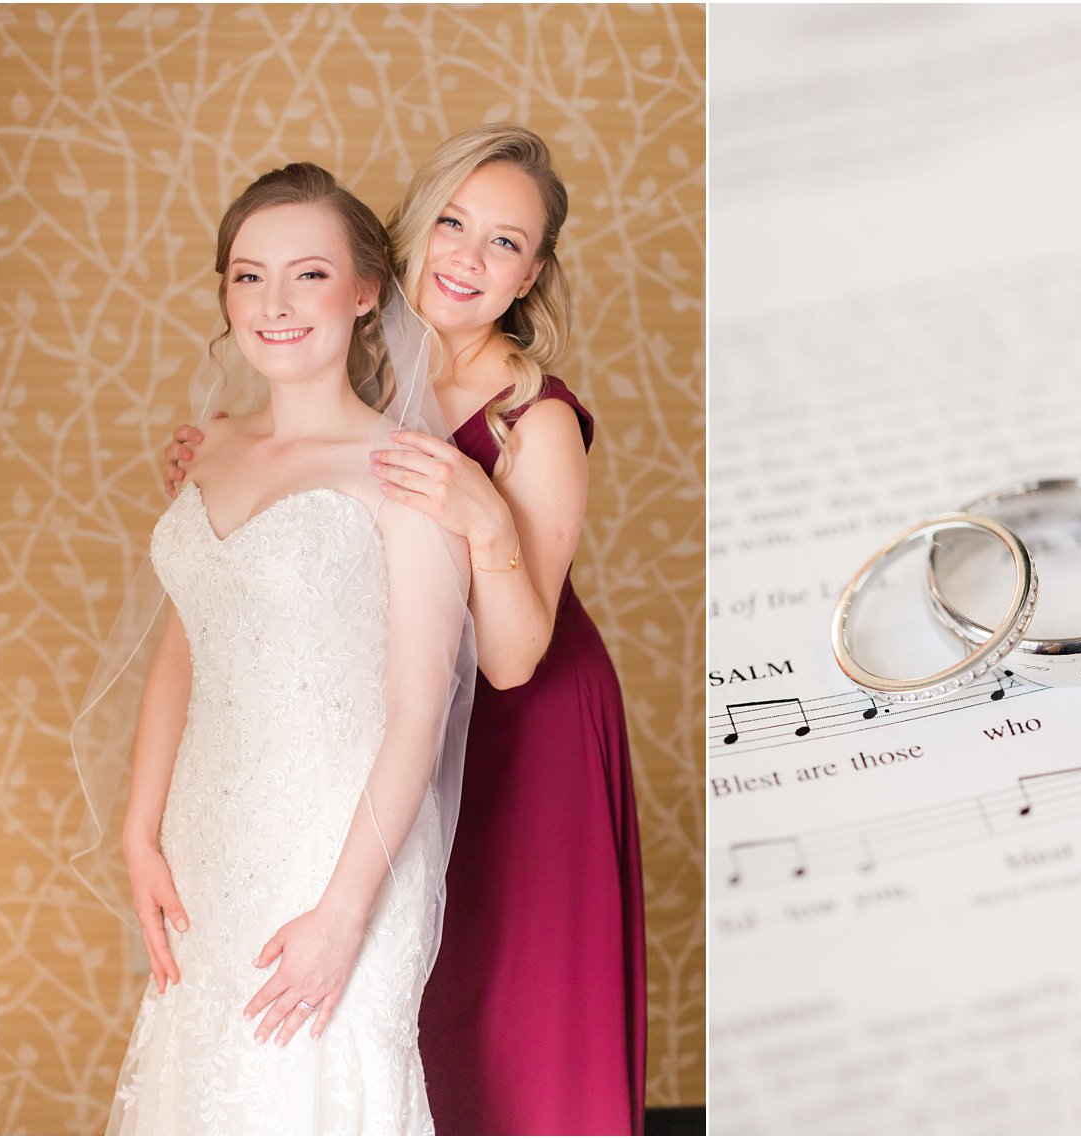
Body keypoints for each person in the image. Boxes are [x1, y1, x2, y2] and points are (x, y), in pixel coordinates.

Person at [165, 125, 647, 1135]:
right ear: (409, 234)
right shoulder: (365, 371)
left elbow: (514, 657)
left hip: (528, 732)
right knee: (400, 1000)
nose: (469, 257)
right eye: (454, 223)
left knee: (499, 1012)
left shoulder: (534, 420)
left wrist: (481, 514)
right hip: (386, 726)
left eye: (505, 243)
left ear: (532, 275)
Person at [74, 163, 474, 1134]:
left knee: (313, 1084)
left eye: (307, 273)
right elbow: (186, 642)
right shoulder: (207, 451)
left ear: (366, 289)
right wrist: (139, 829)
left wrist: (343, 912)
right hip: (210, 829)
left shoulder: (405, 472)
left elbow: (420, 709)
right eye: (248, 276)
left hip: (341, 838)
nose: (275, 303)